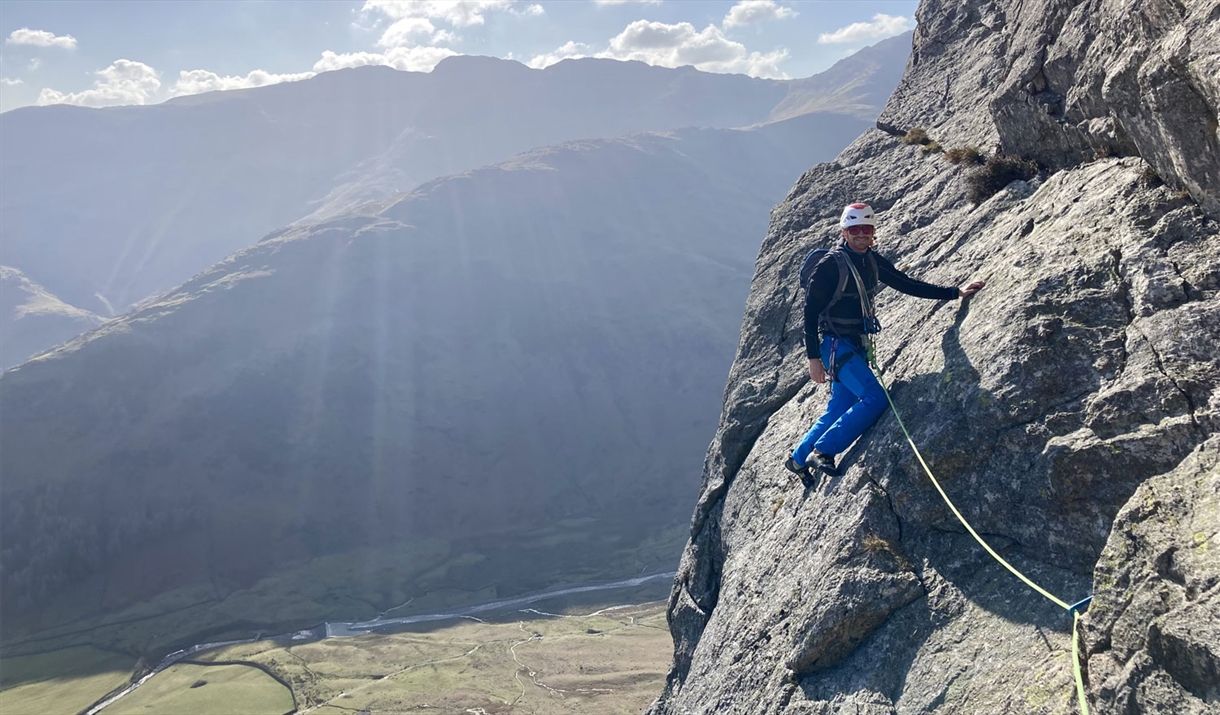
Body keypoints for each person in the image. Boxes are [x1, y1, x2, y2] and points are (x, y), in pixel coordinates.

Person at [784, 202, 985, 485]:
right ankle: (824, 450)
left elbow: (907, 284)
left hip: (854, 345)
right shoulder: (830, 265)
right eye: (855, 229)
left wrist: (955, 293)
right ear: (844, 232)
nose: (861, 234)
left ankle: (797, 458)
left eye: (866, 229)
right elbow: (809, 311)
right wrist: (812, 359)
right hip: (835, 346)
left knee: (840, 406)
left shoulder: (871, 260)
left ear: (873, 231)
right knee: (874, 398)